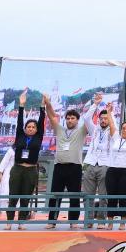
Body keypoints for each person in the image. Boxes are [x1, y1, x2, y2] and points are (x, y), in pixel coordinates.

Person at [44, 93, 98, 229]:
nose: (69, 120)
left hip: (75, 167)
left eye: (72, 118)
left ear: (77, 120)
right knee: (55, 195)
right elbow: (51, 116)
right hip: (59, 167)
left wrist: (96, 103)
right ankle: (52, 221)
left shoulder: (82, 130)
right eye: (68, 118)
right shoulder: (59, 129)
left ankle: (73, 221)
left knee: (74, 195)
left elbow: (89, 118)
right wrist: (47, 103)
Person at [5, 90, 46, 228]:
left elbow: (42, 121)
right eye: (28, 126)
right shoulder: (20, 136)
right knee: (13, 196)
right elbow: (19, 120)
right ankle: (9, 222)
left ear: (37, 129)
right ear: (25, 128)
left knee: (25, 198)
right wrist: (21, 105)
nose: (31, 128)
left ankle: (21, 222)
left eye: (33, 127)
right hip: (17, 169)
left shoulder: (38, 137)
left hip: (31, 170)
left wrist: (42, 106)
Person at [104, 111, 126, 229]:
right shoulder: (116, 138)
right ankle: (110, 223)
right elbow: (111, 125)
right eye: (123, 128)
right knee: (111, 198)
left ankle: (122, 223)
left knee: (124, 198)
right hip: (112, 171)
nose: (125, 130)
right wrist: (108, 112)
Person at [82, 102, 115, 228]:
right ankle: (88, 220)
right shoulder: (95, 129)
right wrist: (95, 104)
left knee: (103, 196)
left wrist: (110, 112)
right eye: (101, 118)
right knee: (87, 195)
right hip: (91, 163)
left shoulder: (113, 131)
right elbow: (86, 118)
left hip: (105, 164)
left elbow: (113, 124)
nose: (103, 120)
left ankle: (101, 220)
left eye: (106, 118)